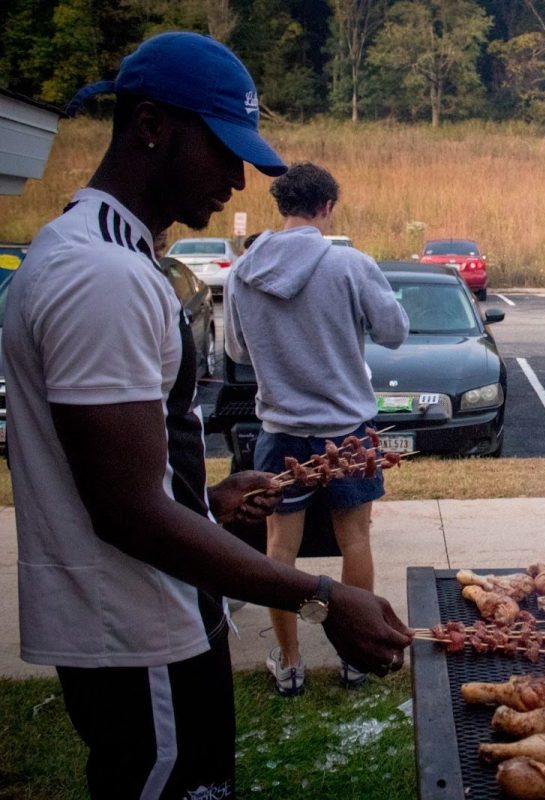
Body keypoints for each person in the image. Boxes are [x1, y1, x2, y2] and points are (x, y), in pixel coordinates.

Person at [6, 32, 412, 798]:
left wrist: (207, 500)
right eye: (223, 149)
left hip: (154, 617)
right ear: (153, 126)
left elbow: (118, 469)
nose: (236, 178)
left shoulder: (99, 252)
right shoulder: (103, 276)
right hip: (138, 628)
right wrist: (321, 598)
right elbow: (125, 511)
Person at [224, 162, 409, 695]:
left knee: (279, 549)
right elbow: (394, 333)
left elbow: (236, 351)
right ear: (327, 207)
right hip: (347, 429)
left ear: (281, 206)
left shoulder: (243, 271)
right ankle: (355, 658)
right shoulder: (349, 264)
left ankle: (289, 663)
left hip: (279, 429)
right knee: (355, 538)